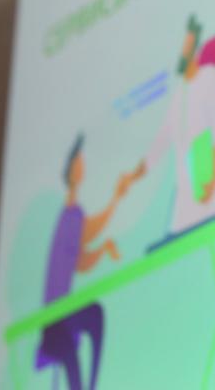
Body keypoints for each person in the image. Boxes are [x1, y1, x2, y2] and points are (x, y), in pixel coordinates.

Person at [35, 134, 144, 390]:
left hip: (62, 316)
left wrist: (103, 250)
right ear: (72, 171)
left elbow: (81, 262)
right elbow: (91, 230)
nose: (83, 167)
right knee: (77, 344)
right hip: (54, 323)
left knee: (95, 314)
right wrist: (116, 198)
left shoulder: (74, 214)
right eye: (79, 163)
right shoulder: (70, 215)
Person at [143, 15, 215, 206]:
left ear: (195, 48)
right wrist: (135, 175)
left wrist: (214, 180)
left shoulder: (209, 77)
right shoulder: (178, 93)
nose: (183, 51)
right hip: (183, 195)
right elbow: (161, 141)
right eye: (183, 46)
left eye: (188, 45)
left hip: (206, 188)